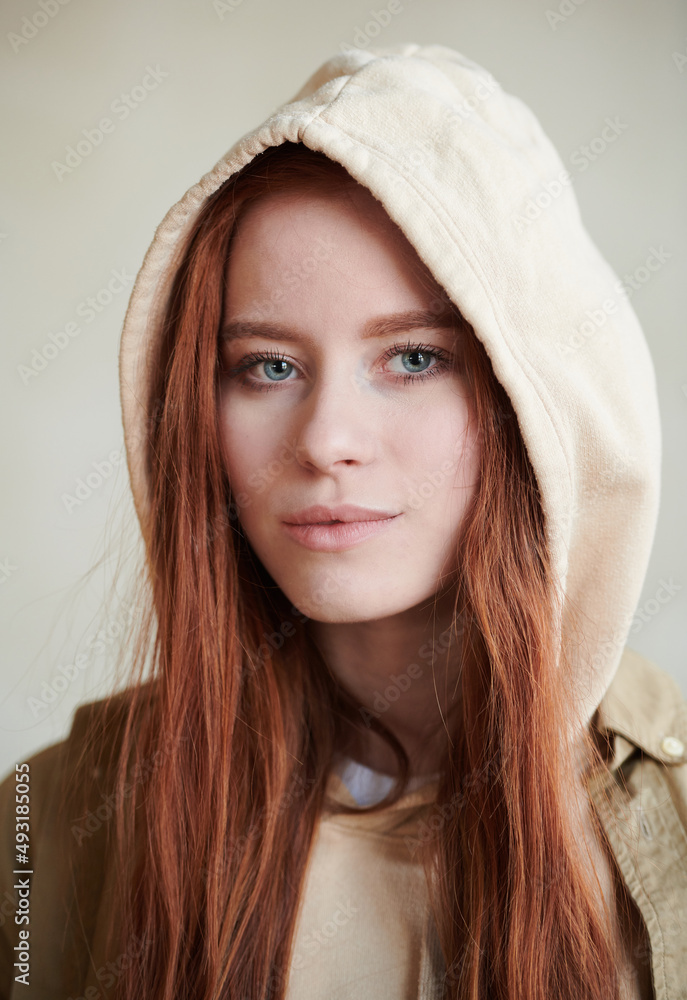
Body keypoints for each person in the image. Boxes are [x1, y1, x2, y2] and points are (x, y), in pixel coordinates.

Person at [0, 41, 685, 1000]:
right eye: (268, 367)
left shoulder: (673, 823)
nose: (325, 440)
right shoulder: (44, 822)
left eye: (411, 359)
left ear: (540, 400)